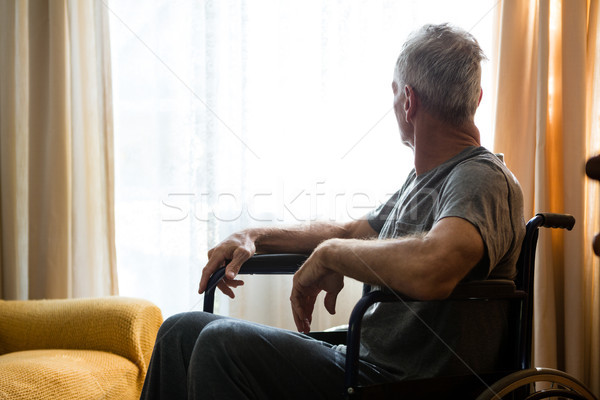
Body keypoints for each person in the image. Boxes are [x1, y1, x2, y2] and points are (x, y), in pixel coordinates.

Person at [140, 23, 525, 399]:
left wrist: (331, 256)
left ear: (408, 101)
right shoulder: (424, 181)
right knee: (179, 333)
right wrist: (255, 236)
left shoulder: (480, 177)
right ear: (476, 98)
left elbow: (434, 267)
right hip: (361, 361)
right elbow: (352, 231)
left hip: (404, 381)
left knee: (220, 344)